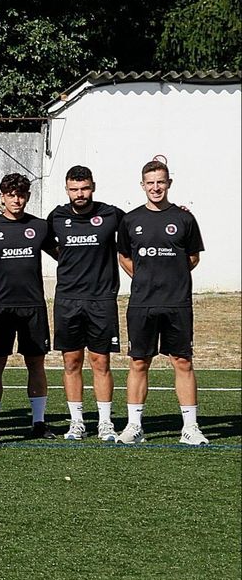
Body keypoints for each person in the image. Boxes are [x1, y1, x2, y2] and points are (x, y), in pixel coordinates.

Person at [116, 159, 207, 445]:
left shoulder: (184, 219)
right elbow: (124, 257)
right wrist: (145, 277)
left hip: (177, 303)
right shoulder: (130, 220)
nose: (156, 187)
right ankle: (134, 427)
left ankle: (190, 428)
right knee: (139, 362)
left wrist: (172, 276)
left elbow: (192, 257)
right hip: (142, 303)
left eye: (160, 182)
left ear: (169, 183)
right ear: (142, 185)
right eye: (150, 182)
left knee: (182, 361)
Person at [0, 173, 55, 439]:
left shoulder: (40, 226)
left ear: (27, 196)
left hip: (33, 306)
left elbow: (63, 255)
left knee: (36, 365)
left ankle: (38, 423)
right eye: (11, 195)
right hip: (0, 308)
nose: (16, 200)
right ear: (2, 197)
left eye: (21, 195)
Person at [47, 166, 124, 442]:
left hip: (101, 300)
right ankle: (77, 422)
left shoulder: (112, 214)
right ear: (67, 189)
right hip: (67, 300)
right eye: (74, 189)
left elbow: (140, 226)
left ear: (93, 186)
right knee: (71, 362)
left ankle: (105, 423)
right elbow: (47, 244)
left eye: (84, 188)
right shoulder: (57, 216)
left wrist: (180, 212)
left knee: (100, 361)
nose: (80, 194)